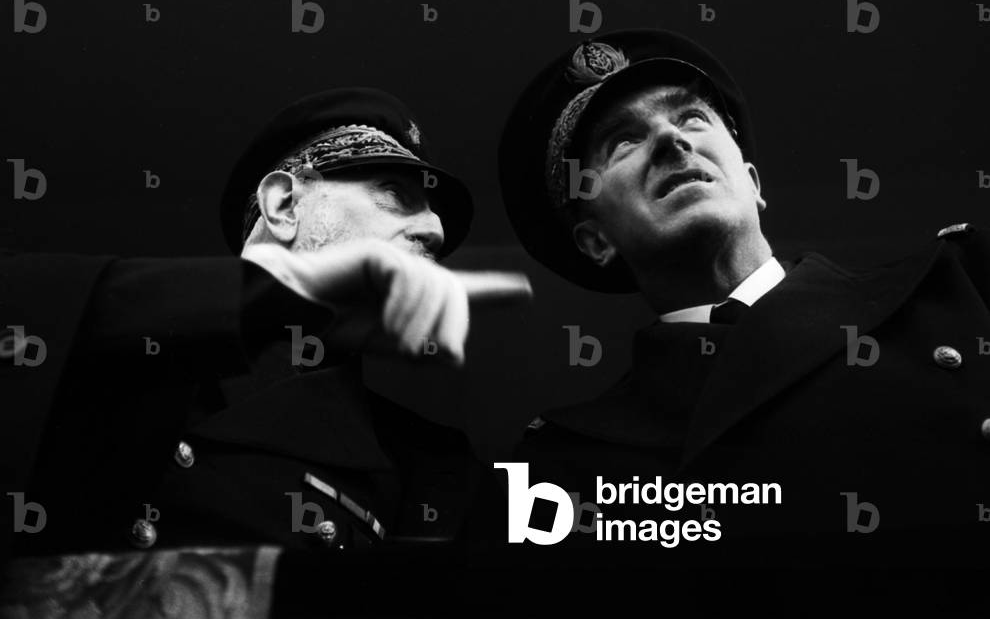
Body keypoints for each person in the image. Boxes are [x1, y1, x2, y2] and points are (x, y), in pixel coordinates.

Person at [495, 29, 990, 569]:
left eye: (691, 118)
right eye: (623, 142)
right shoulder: (558, 470)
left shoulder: (961, 282)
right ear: (597, 240)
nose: (670, 140)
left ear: (753, 182)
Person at [0, 87, 530, 571]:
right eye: (394, 193)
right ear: (283, 205)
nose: (435, 228)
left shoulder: (430, 464)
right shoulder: (108, 347)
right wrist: (271, 296)